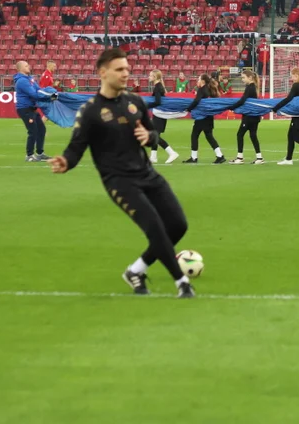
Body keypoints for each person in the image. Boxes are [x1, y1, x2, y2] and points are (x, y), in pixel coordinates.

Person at [48, 48, 195, 298]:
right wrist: (65, 161)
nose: (126, 73)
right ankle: (181, 282)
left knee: (178, 225)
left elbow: (153, 136)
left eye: (127, 68)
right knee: (156, 229)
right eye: (120, 69)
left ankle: (135, 271)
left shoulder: (135, 102)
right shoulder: (90, 111)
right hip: (119, 182)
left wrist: (149, 136)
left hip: (148, 175)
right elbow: (76, 148)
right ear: (102, 73)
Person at [14, 60, 55, 162]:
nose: (29, 67)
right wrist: (50, 97)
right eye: (26, 66)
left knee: (41, 130)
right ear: (20, 69)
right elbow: (34, 94)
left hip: (32, 109)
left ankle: (40, 153)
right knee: (33, 131)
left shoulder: (30, 79)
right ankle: (29, 155)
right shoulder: (22, 81)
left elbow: (39, 90)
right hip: (25, 109)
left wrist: (50, 94)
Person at [181, 74, 226, 164]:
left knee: (194, 135)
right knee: (209, 136)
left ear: (203, 81)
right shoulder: (209, 89)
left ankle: (194, 157)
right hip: (209, 117)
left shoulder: (202, 89)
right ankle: (220, 156)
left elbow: (197, 101)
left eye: (198, 79)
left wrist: (189, 109)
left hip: (202, 117)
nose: (197, 80)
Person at [227, 69, 264, 164]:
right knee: (253, 135)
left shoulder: (250, 87)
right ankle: (259, 157)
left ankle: (240, 157)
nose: (242, 79)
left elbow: (242, 100)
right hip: (254, 116)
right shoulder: (253, 87)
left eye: (244, 77)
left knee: (240, 134)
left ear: (250, 77)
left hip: (249, 116)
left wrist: (232, 107)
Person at [147, 70, 181, 165]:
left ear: (155, 77)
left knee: (155, 136)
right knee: (155, 135)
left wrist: (147, 106)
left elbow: (158, 102)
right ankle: (153, 157)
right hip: (159, 114)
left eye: (150, 75)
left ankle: (172, 153)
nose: (148, 77)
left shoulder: (158, 87)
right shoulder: (158, 87)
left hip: (160, 114)